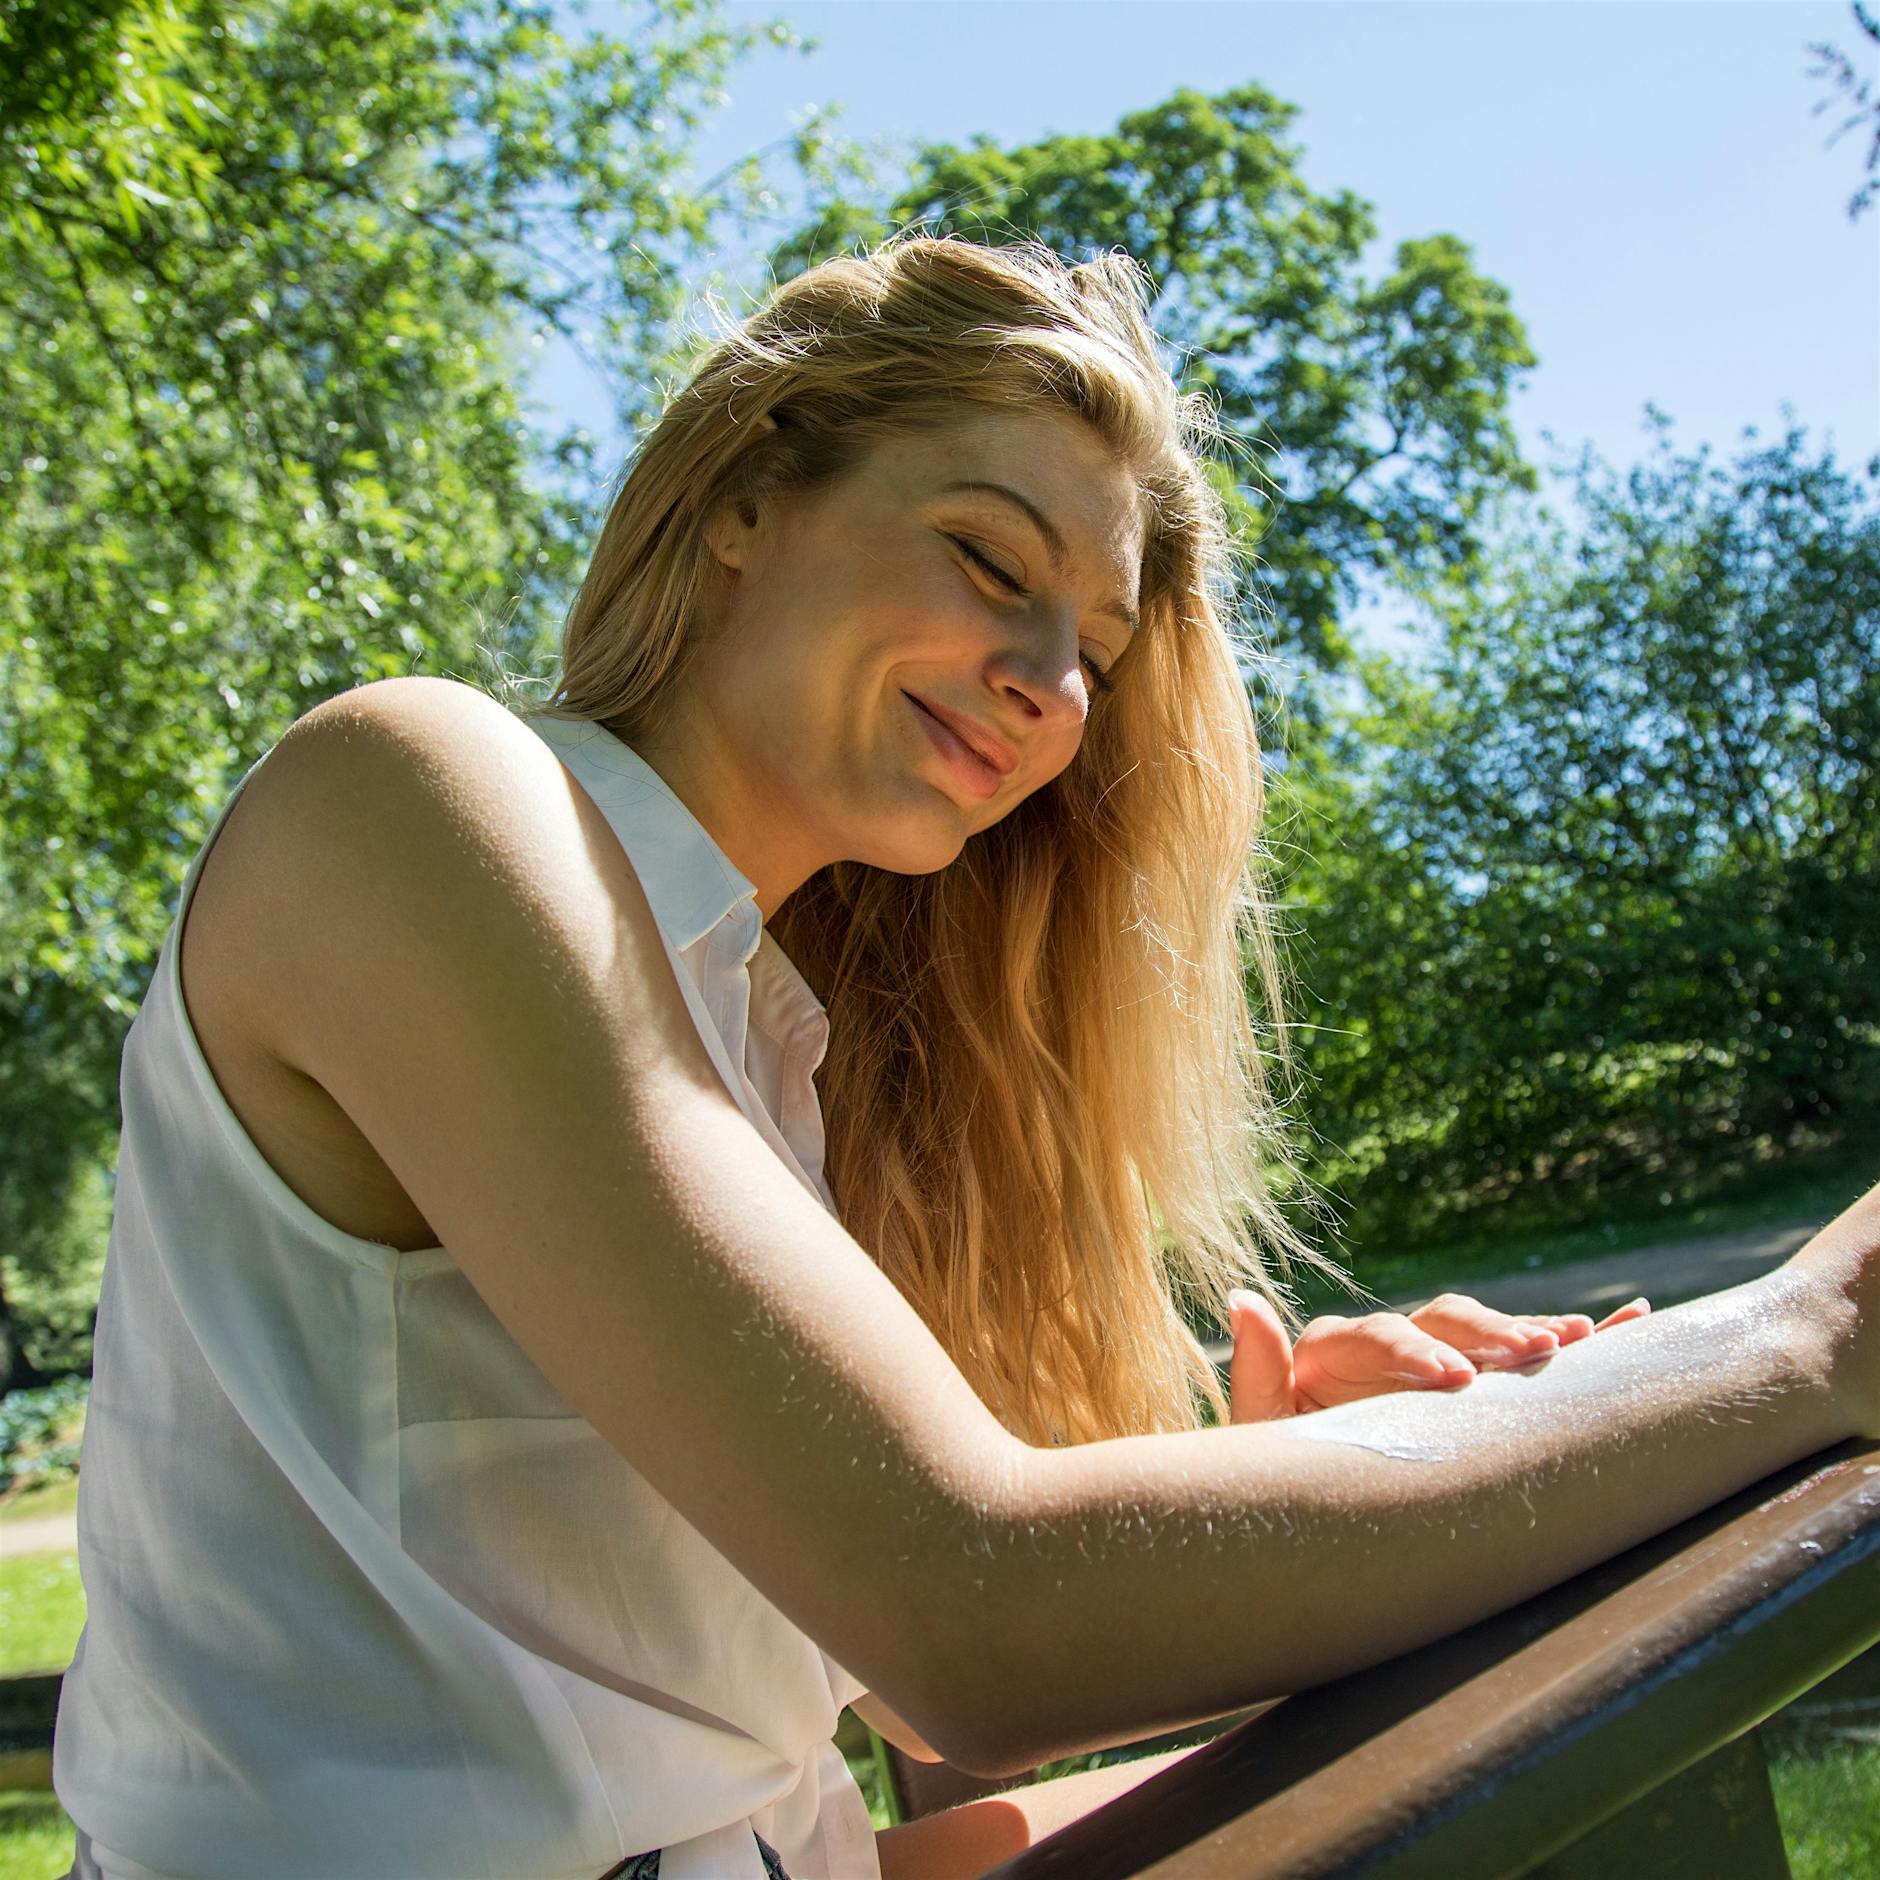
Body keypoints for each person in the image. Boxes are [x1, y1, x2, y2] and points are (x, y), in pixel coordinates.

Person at [52, 235, 1878, 1880]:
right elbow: (972, 1615)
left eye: (1092, 647)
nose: (1051, 685)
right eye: (989, 558)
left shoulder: (763, 1053)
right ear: (751, 497)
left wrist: (1274, 1473)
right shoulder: (423, 798)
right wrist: (1802, 1338)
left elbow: (930, 1728)